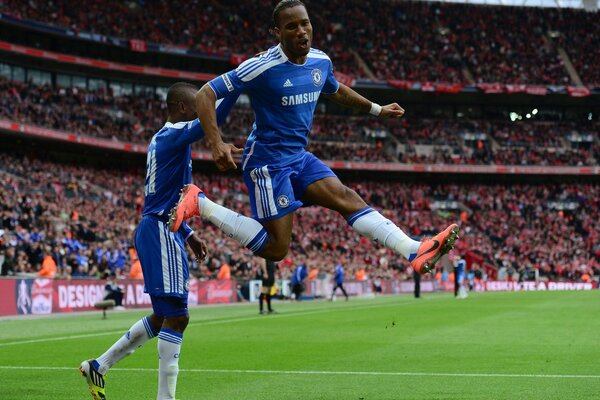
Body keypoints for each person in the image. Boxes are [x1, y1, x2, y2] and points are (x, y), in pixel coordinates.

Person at [169, 0, 458, 276]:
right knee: (277, 248)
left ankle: (413, 250)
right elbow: (207, 92)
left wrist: (377, 109)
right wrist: (215, 141)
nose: (301, 31)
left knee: (347, 198)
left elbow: (335, 89)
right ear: (277, 33)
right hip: (268, 164)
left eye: (305, 24)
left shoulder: (320, 61)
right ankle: (201, 203)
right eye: (292, 26)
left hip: (299, 156)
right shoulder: (261, 66)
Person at [80, 82, 238, 400]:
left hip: (164, 227)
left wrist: (189, 235)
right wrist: (240, 82)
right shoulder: (173, 136)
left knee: (164, 315)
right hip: (159, 231)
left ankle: (98, 365)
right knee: (178, 315)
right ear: (182, 108)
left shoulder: (165, 140)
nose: (202, 109)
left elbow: (168, 199)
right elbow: (215, 114)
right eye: (198, 104)